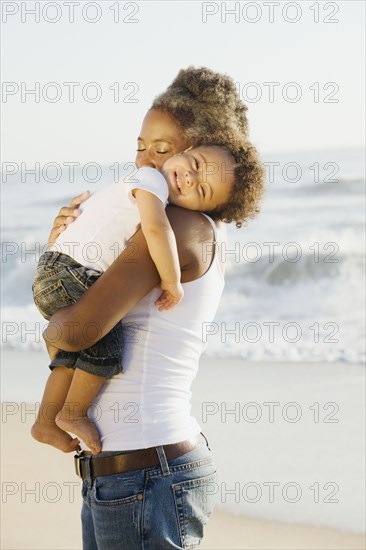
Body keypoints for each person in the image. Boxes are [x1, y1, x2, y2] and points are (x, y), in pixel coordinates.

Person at [39, 66, 264, 549]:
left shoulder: (177, 227)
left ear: (201, 147)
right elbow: (85, 339)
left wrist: (55, 302)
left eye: (163, 150)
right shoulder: (171, 220)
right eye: (141, 145)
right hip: (130, 473)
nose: (145, 159)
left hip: (145, 474)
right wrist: (70, 250)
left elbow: (76, 332)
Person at [32, 142, 255, 455]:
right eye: (195, 162)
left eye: (201, 189)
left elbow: (66, 332)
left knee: (89, 348)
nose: (190, 177)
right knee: (101, 345)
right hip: (133, 464)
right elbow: (154, 228)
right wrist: (171, 281)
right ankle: (67, 414)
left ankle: (51, 419)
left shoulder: (180, 220)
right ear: (187, 149)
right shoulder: (152, 186)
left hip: (147, 462)